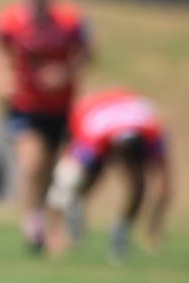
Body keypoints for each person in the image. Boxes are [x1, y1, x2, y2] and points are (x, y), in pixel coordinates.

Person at [0, 0, 92, 253]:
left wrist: (65, 73)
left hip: (59, 107)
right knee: (32, 162)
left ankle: (53, 224)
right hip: (24, 106)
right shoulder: (11, 20)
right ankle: (32, 225)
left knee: (56, 170)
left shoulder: (69, 21)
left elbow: (87, 53)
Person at [45, 86, 173, 262]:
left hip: (125, 109)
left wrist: (153, 227)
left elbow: (163, 183)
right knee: (75, 178)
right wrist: (54, 230)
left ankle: (120, 231)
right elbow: (63, 177)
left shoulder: (154, 133)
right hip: (88, 111)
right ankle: (72, 209)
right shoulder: (94, 135)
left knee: (138, 182)